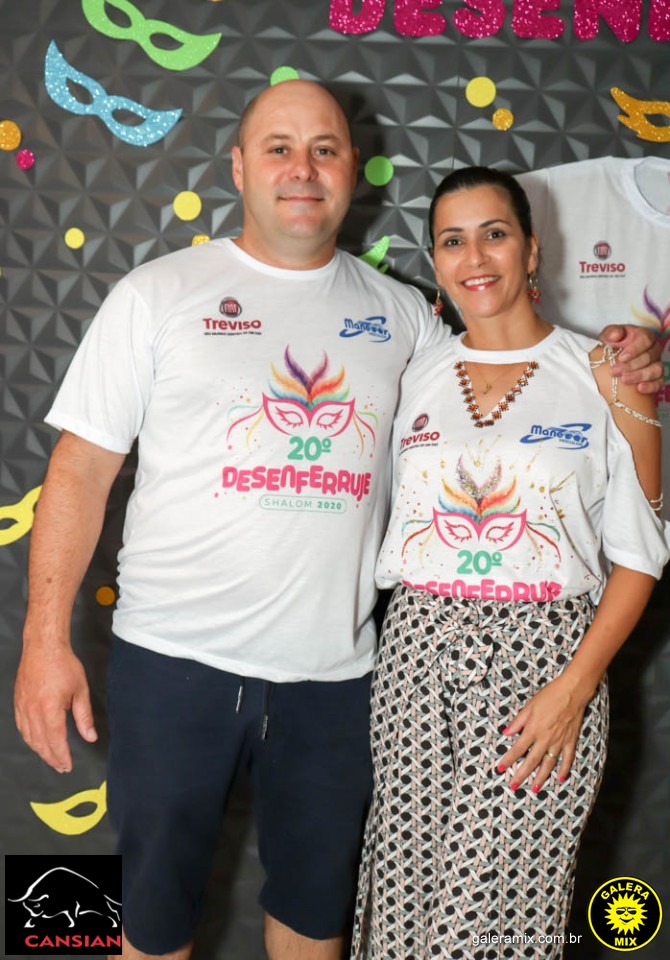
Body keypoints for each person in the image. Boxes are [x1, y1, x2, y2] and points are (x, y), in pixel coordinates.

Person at [12, 80, 661, 960]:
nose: (302, 169)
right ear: (238, 167)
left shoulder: (406, 319)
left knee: (321, 918)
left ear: (354, 168)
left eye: (324, 148)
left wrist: (630, 355)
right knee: (151, 921)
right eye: (278, 148)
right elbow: (80, 469)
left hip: (341, 683)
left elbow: (516, 370)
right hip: (172, 666)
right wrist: (44, 643)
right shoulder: (156, 294)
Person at [351, 166, 669, 960]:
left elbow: (639, 555)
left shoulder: (609, 375)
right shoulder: (412, 371)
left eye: (494, 234)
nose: (475, 257)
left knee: (494, 923)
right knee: (403, 907)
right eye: (452, 241)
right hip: (414, 660)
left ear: (531, 249)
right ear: (434, 260)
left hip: (545, 667)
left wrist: (575, 686)